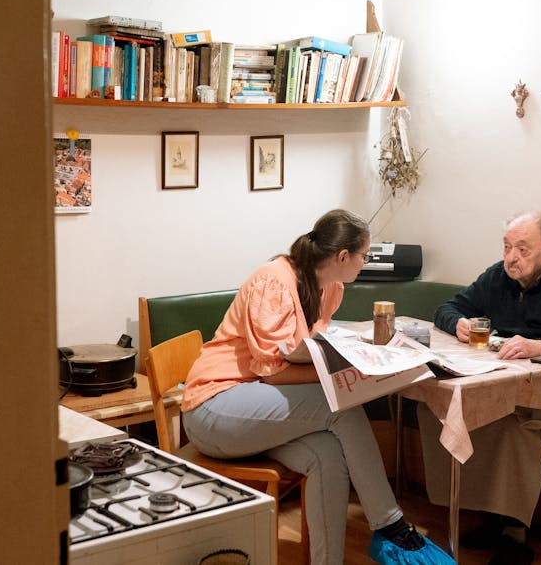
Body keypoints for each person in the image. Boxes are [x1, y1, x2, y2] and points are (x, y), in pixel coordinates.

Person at [181, 209, 452, 565]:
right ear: (343, 257)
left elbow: (302, 353)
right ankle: (390, 525)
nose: (365, 262)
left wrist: (359, 362)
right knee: (342, 408)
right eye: (364, 255)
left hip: (258, 411)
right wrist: (352, 372)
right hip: (214, 408)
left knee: (326, 454)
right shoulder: (274, 281)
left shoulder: (329, 288)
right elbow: (272, 372)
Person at [423, 211, 541, 565]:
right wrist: (457, 322)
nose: (511, 258)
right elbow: (448, 306)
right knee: (441, 412)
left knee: (515, 431)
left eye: (522, 249)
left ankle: (514, 535)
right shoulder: (497, 277)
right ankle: (489, 513)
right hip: (509, 385)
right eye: (506, 247)